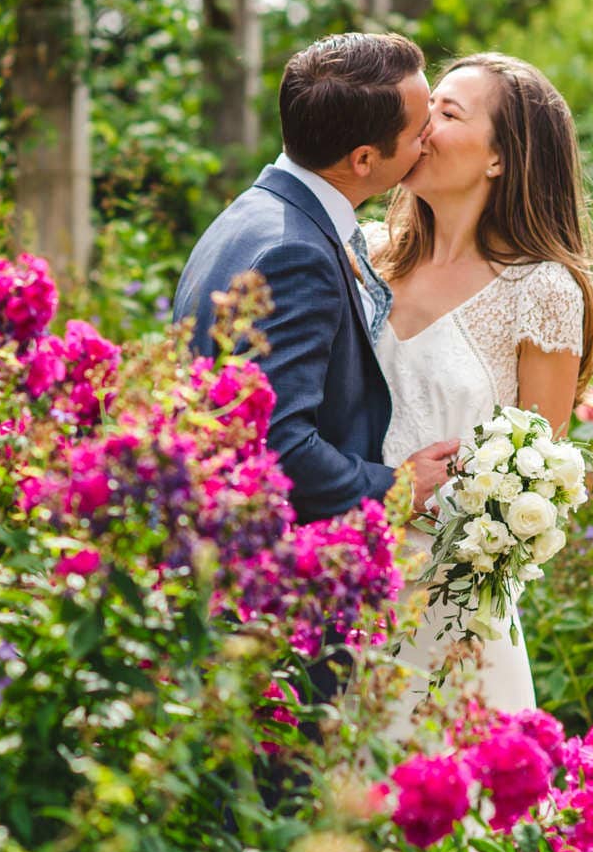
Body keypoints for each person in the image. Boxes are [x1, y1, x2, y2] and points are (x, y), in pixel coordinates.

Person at [364, 51, 593, 852]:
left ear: (502, 156)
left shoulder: (540, 288)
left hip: (459, 619)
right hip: (350, 594)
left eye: (448, 115)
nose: (420, 131)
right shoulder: (372, 263)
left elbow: (541, 467)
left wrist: (468, 556)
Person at [172, 32, 459, 524]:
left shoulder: (253, 213)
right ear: (364, 159)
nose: (429, 138)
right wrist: (396, 486)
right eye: (419, 132)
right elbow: (280, 446)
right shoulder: (297, 255)